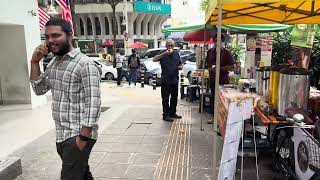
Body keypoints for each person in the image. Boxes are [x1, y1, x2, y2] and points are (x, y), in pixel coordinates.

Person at [29, 18, 101, 180]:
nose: (50, 41)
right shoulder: (54, 63)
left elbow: (93, 102)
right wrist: (34, 62)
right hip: (62, 134)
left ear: (69, 35)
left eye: (56, 35)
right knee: (82, 175)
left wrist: (83, 137)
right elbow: (39, 89)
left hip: (77, 135)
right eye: (47, 37)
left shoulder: (85, 64)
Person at [206, 34, 235, 123]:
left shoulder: (226, 52)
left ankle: (221, 119)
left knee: (222, 100)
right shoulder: (210, 51)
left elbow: (232, 66)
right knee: (213, 99)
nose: (217, 43)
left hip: (223, 80)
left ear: (223, 42)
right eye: (215, 41)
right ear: (213, 42)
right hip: (212, 79)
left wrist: (221, 69)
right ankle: (214, 117)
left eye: (219, 41)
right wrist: (211, 69)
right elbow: (207, 64)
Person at [153, 39, 183, 122]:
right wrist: (164, 54)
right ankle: (165, 115)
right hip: (166, 80)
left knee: (174, 97)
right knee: (165, 98)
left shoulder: (176, 54)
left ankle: (172, 113)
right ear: (166, 46)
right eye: (168, 45)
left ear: (174, 46)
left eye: (171, 45)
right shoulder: (163, 54)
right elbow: (154, 59)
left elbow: (180, 64)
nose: (170, 47)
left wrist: (180, 66)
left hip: (174, 79)